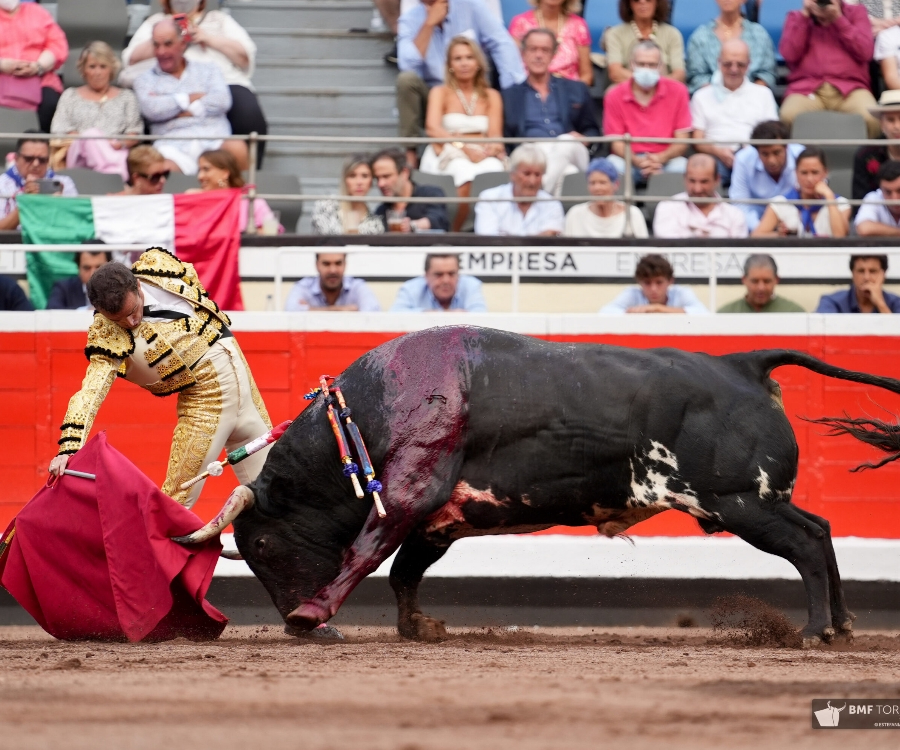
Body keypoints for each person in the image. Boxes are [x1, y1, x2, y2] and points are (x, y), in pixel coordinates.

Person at [47, 248, 275, 508]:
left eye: (133, 310)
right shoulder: (106, 334)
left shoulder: (158, 265)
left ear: (137, 285)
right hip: (206, 401)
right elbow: (90, 392)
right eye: (119, 320)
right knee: (176, 502)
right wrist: (69, 448)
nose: (132, 322)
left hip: (243, 382)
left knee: (272, 491)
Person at [121, 0, 267, 167]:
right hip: (167, 85)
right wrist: (170, 33)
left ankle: (249, 177)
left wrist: (207, 37)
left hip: (222, 82)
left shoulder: (218, 19)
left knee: (247, 111)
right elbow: (130, 59)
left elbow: (245, 57)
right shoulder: (156, 22)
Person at [396, 0, 525, 165]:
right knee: (406, 80)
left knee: (510, 90)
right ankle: (411, 156)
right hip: (434, 94)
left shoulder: (472, 7)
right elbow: (407, 65)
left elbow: (501, 43)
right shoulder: (410, 19)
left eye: (468, 58)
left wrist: (512, 92)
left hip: (475, 89)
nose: (464, 62)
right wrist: (429, 24)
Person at [419, 36, 506, 232]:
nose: (464, 63)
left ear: (478, 63)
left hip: (482, 151)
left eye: (469, 57)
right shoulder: (439, 92)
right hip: (449, 149)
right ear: (450, 65)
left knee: (493, 171)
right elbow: (432, 128)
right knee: (464, 172)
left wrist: (489, 150)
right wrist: (463, 147)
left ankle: (487, 231)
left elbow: (495, 136)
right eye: (458, 59)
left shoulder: (492, 95)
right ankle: (455, 232)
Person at [133, 18, 241, 176]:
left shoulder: (209, 69)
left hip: (214, 141)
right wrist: (189, 99)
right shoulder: (144, 80)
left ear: (183, 44)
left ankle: (238, 193)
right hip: (172, 146)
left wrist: (178, 108)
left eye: (168, 44)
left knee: (237, 148)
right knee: (162, 169)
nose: (161, 52)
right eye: (156, 45)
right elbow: (152, 110)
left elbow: (223, 101)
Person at [502, 29, 599, 196]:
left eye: (545, 50)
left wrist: (585, 138)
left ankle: (539, 191)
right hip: (530, 153)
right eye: (533, 49)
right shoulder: (509, 95)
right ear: (523, 53)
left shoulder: (576, 89)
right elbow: (506, 138)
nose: (538, 55)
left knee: (566, 141)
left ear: (554, 54)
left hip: (572, 149)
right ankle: (548, 205)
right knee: (569, 173)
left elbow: (593, 131)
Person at [779, 0, 880, 139]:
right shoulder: (796, 17)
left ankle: (866, 154)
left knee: (872, 118)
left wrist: (839, 19)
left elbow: (866, 52)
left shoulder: (857, 12)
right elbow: (789, 55)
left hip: (850, 89)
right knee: (787, 116)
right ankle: (802, 154)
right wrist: (805, 16)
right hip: (807, 89)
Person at [49, 42, 142, 182]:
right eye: (92, 67)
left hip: (116, 150)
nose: (97, 73)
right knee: (91, 135)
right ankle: (114, 179)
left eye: (103, 66)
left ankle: (109, 175)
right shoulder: (70, 95)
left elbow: (134, 132)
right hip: (80, 156)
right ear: (83, 70)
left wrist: (117, 144)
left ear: (111, 69)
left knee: (117, 153)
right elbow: (59, 129)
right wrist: (97, 143)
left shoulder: (127, 97)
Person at [690, 39, 778, 182]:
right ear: (719, 62)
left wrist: (749, 152)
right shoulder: (701, 96)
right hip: (715, 158)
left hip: (754, 157)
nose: (734, 69)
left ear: (749, 64)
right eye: (728, 64)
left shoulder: (763, 94)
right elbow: (697, 140)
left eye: (740, 64)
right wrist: (718, 152)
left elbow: (772, 134)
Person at [603, 41, 691, 185]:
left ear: (661, 66)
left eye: (652, 65)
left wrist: (659, 159)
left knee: (683, 168)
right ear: (632, 64)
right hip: (628, 160)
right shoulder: (614, 94)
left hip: (667, 160)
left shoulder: (679, 91)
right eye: (641, 64)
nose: (646, 69)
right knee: (611, 167)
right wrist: (638, 161)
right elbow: (616, 143)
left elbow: (682, 140)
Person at [752, 147, 851, 238]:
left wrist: (829, 196)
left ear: (825, 173)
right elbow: (756, 236)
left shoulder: (841, 204)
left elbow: (840, 237)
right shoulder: (780, 203)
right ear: (796, 173)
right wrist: (779, 235)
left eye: (815, 172)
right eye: (804, 173)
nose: (809, 179)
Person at [0, 0, 68, 132]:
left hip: (40, 77)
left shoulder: (37, 12)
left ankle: (42, 143)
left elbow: (58, 44)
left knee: (50, 104)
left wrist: (38, 66)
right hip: (2, 76)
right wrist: (2, 64)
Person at [685, 0, 777, 93]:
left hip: (753, 98)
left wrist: (748, 95)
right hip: (712, 97)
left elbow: (767, 74)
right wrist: (719, 96)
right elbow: (696, 76)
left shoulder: (759, 34)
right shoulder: (700, 36)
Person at [473, 143, 565, 236]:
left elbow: (550, 240)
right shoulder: (490, 199)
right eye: (527, 174)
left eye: (537, 175)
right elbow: (488, 240)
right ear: (512, 174)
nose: (532, 181)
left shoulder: (552, 204)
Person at [730, 120, 805, 231]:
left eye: (776, 152)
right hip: (756, 227)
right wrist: (762, 230)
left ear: (787, 147)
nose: (771, 161)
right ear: (756, 151)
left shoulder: (802, 157)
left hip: (797, 224)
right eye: (765, 154)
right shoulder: (743, 159)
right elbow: (740, 205)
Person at [652, 153, 748, 238]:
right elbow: (669, 248)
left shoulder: (734, 215)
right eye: (692, 181)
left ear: (717, 180)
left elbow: (739, 251)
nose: (697, 189)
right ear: (685, 178)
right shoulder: (667, 208)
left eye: (704, 182)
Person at [191, 149, 283, 234]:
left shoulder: (250, 201)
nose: (200, 176)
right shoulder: (195, 199)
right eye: (199, 170)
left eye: (206, 169)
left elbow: (272, 232)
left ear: (225, 173)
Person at [0, 134, 78, 231]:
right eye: (29, 159)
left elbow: (75, 226)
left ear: (48, 160)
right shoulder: (2, 184)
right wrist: (26, 202)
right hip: (15, 240)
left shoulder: (64, 183)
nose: (36, 164)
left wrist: (58, 205)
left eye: (42, 160)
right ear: (16, 158)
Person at [508, 0, 592, 85]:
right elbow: (512, 69)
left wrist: (574, 91)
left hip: (569, 89)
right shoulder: (520, 23)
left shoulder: (578, 25)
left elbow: (586, 75)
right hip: (529, 89)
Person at [603, 0, 685, 85]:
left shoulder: (672, 34)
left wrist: (653, 85)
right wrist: (645, 83)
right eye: (636, 0)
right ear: (628, 3)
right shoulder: (615, 34)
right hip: (625, 89)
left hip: (665, 91)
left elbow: (679, 75)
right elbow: (615, 73)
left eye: (648, 0)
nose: (642, 2)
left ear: (657, 3)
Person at [563, 157, 648, 238]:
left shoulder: (632, 214)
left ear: (616, 185)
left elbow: (643, 248)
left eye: (602, 182)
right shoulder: (575, 214)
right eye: (592, 183)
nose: (597, 188)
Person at [372, 148, 450, 232]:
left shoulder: (430, 194)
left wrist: (413, 225)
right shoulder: (381, 210)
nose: (380, 184)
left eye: (386, 176)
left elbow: (438, 219)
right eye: (377, 178)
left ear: (405, 173)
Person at [600, 253, 708, 314]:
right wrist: (628, 312)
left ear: (670, 281)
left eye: (659, 282)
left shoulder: (682, 292)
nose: (653, 289)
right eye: (647, 283)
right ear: (639, 282)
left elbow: (703, 312)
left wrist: (658, 308)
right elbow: (605, 312)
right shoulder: (631, 293)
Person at [310, 154, 385, 235]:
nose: (359, 182)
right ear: (344, 179)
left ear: (371, 181)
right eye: (352, 176)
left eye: (365, 176)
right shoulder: (325, 207)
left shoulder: (375, 223)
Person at [284, 253, 381, 312]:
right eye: (326, 264)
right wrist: (345, 311)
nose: (333, 270)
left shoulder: (357, 286)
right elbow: (290, 312)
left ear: (345, 264)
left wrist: (310, 310)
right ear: (317, 265)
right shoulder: (303, 287)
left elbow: (374, 313)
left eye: (338, 263)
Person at [390, 253, 487, 311]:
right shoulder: (410, 289)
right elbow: (395, 315)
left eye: (451, 274)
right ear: (426, 276)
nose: (446, 280)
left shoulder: (471, 285)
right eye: (439, 274)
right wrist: (427, 314)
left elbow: (481, 316)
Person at [852, 90, 900, 201]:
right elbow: (860, 201)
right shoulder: (865, 154)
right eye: (890, 120)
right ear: (881, 124)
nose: (897, 126)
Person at [717, 254, 806, 313]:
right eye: (755, 281)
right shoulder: (726, 314)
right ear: (744, 280)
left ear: (776, 280)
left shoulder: (794, 313)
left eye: (767, 281)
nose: (761, 288)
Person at [815, 254, 900, 313]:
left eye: (873, 271)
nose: (866, 277)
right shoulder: (832, 302)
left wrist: (880, 304)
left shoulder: (896, 303)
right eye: (861, 271)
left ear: (883, 275)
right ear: (852, 274)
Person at [46, 247, 112, 311]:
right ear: (78, 267)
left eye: (99, 267)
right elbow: (51, 311)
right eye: (87, 268)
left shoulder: (117, 289)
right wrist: (86, 311)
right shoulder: (63, 288)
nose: (92, 274)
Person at [855, 159, 900, 235]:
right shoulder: (873, 197)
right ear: (880, 189)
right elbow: (864, 229)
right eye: (888, 192)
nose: (894, 199)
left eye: (899, 191)